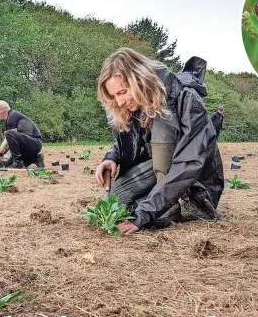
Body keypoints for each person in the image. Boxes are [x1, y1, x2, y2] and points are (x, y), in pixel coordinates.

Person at [93, 48, 225, 235]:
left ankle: (169, 207)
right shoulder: (134, 105)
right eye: (114, 96)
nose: (120, 102)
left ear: (139, 80)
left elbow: (188, 164)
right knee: (115, 203)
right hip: (156, 168)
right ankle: (156, 204)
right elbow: (140, 143)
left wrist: (143, 215)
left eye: (122, 92)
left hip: (192, 181)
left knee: (136, 213)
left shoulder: (187, 100)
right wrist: (111, 157)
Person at [0, 101, 44, 169]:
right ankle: (36, 159)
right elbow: (11, 141)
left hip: (34, 144)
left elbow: (8, 139)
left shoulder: (12, 116)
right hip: (29, 147)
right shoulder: (10, 117)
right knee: (7, 165)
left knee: (8, 133)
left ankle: (18, 162)